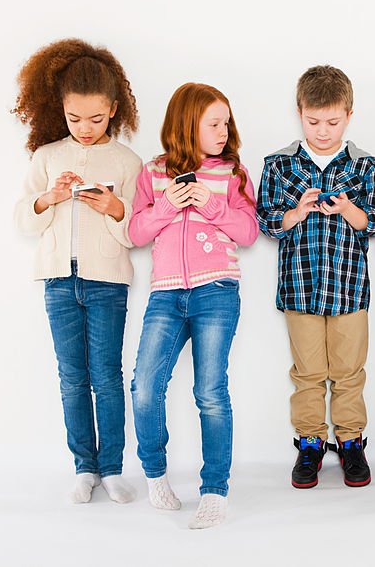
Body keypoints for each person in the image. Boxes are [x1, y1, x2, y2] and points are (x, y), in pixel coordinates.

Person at [12, 38, 141, 504]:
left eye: (96, 118)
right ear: (60, 110)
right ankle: (84, 468)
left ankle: (112, 469)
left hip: (107, 282)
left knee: (106, 375)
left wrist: (115, 208)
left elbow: (136, 233)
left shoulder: (127, 162)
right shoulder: (47, 156)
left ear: (113, 109)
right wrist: (50, 197)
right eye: (74, 119)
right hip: (57, 281)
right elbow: (25, 219)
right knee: (71, 377)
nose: (84, 128)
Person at [128, 82, 258, 528]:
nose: (223, 131)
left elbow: (248, 231)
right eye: (213, 124)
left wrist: (213, 206)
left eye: (226, 123)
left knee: (210, 392)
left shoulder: (233, 173)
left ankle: (215, 490)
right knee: (145, 386)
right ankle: (155, 474)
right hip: (165, 292)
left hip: (216, 291)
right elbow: (136, 232)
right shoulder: (153, 172)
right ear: (187, 125)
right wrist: (166, 206)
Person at [256, 65, 375, 488]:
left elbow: (373, 223)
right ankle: (309, 443)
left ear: (349, 115)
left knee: (349, 373)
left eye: (333, 122)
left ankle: (350, 442)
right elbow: (267, 221)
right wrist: (297, 212)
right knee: (307, 373)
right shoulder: (279, 165)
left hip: (349, 288)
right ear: (299, 113)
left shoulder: (363, 166)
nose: (323, 131)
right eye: (313, 122)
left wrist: (346, 208)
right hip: (300, 289)